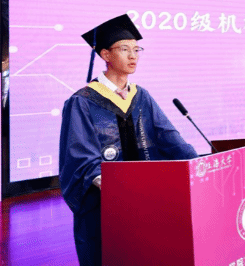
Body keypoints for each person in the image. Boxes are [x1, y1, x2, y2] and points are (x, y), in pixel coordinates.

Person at [59, 14, 198, 266]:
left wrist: (197, 163)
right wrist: (119, 188)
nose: (133, 56)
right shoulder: (82, 101)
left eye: (136, 49)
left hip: (147, 197)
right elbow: (80, 159)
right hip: (105, 204)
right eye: (124, 49)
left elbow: (169, 137)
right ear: (105, 54)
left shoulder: (141, 96)